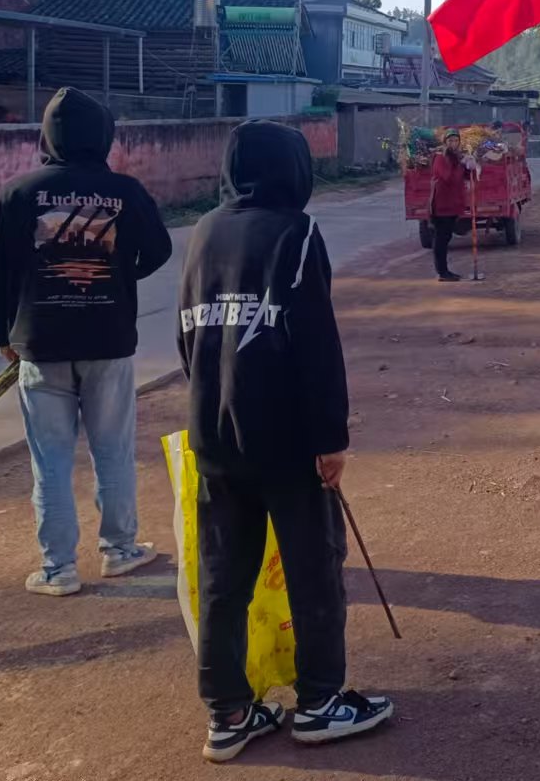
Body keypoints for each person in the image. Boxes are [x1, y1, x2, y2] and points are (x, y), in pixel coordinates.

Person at [177, 120, 393, 761]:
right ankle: (320, 703)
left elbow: (188, 336)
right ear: (293, 171)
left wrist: (213, 403)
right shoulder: (296, 233)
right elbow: (315, 342)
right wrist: (330, 438)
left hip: (214, 435)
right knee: (313, 570)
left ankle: (227, 713)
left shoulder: (203, 230)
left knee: (223, 578)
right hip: (288, 443)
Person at [0, 87, 172, 597]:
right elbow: (159, 249)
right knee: (113, 451)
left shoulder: (18, 193)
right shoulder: (125, 192)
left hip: (39, 344)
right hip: (108, 340)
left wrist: (2, 334)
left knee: (50, 461)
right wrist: (121, 275)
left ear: (47, 136)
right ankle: (120, 550)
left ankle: (57, 568)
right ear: (103, 135)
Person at [427, 129, 474, 281]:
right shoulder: (440, 158)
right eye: (450, 141)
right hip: (442, 205)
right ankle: (442, 272)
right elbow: (448, 177)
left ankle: (444, 271)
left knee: (446, 238)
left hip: (453, 205)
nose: (453, 143)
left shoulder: (456, 157)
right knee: (441, 240)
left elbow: (464, 176)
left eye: (456, 140)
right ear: (445, 142)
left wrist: (469, 167)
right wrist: (460, 165)